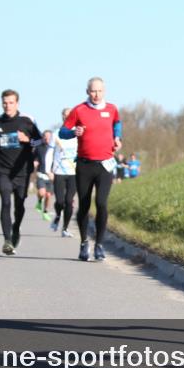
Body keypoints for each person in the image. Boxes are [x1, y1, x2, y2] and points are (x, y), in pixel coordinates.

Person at [59, 77, 121, 261]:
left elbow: (117, 123)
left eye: (100, 91)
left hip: (105, 164)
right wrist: (72, 133)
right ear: (87, 91)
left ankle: (99, 245)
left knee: (101, 203)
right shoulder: (79, 110)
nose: (96, 94)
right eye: (93, 91)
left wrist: (118, 138)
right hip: (85, 165)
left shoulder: (111, 109)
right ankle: (84, 242)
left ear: (104, 91)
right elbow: (63, 131)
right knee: (84, 205)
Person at [0, 89, 42, 256]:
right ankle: (7, 240)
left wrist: (27, 140)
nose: (8, 106)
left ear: (17, 104)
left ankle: (16, 228)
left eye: (11, 103)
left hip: (22, 171)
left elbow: (40, 140)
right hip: (4, 170)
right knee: (6, 202)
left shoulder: (26, 122)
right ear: (2, 104)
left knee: (19, 205)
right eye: (5, 103)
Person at [48, 108, 79, 238]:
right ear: (62, 117)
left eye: (70, 115)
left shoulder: (78, 133)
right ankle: (57, 216)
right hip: (59, 172)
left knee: (69, 201)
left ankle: (65, 228)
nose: (67, 117)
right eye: (65, 115)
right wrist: (48, 170)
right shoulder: (56, 133)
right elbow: (49, 153)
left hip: (74, 172)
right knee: (60, 201)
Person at [33, 129, 54, 221]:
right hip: (41, 174)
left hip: (51, 176)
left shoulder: (55, 148)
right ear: (42, 137)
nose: (47, 138)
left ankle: (45, 211)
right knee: (42, 193)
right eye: (45, 136)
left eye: (49, 137)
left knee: (48, 195)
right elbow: (35, 158)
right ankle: (39, 201)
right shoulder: (39, 148)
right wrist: (35, 163)